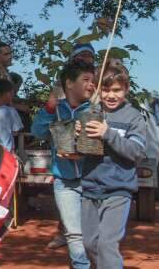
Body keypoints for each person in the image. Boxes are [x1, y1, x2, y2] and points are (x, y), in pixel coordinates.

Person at [77, 66, 146, 268]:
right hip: (90, 188)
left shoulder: (133, 117)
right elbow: (79, 151)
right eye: (106, 90)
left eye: (116, 90)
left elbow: (136, 152)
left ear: (126, 89)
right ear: (98, 90)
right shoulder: (91, 112)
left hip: (118, 189)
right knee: (90, 243)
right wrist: (78, 135)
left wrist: (108, 133)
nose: (111, 95)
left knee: (107, 244)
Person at [31, 61, 95, 269]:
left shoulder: (95, 108)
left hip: (93, 179)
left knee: (93, 234)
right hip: (64, 182)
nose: (91, 85)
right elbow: (37, 132)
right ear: (69, 83)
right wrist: (49, 108)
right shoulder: (55, 109)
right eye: (85, 80)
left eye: (93, 80)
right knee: (74, 234)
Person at [0, 79, 24, 152]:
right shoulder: (11, 111)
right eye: (12, 93)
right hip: (7, 152)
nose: (13, 96)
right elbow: (16, 131)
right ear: (7, 93)